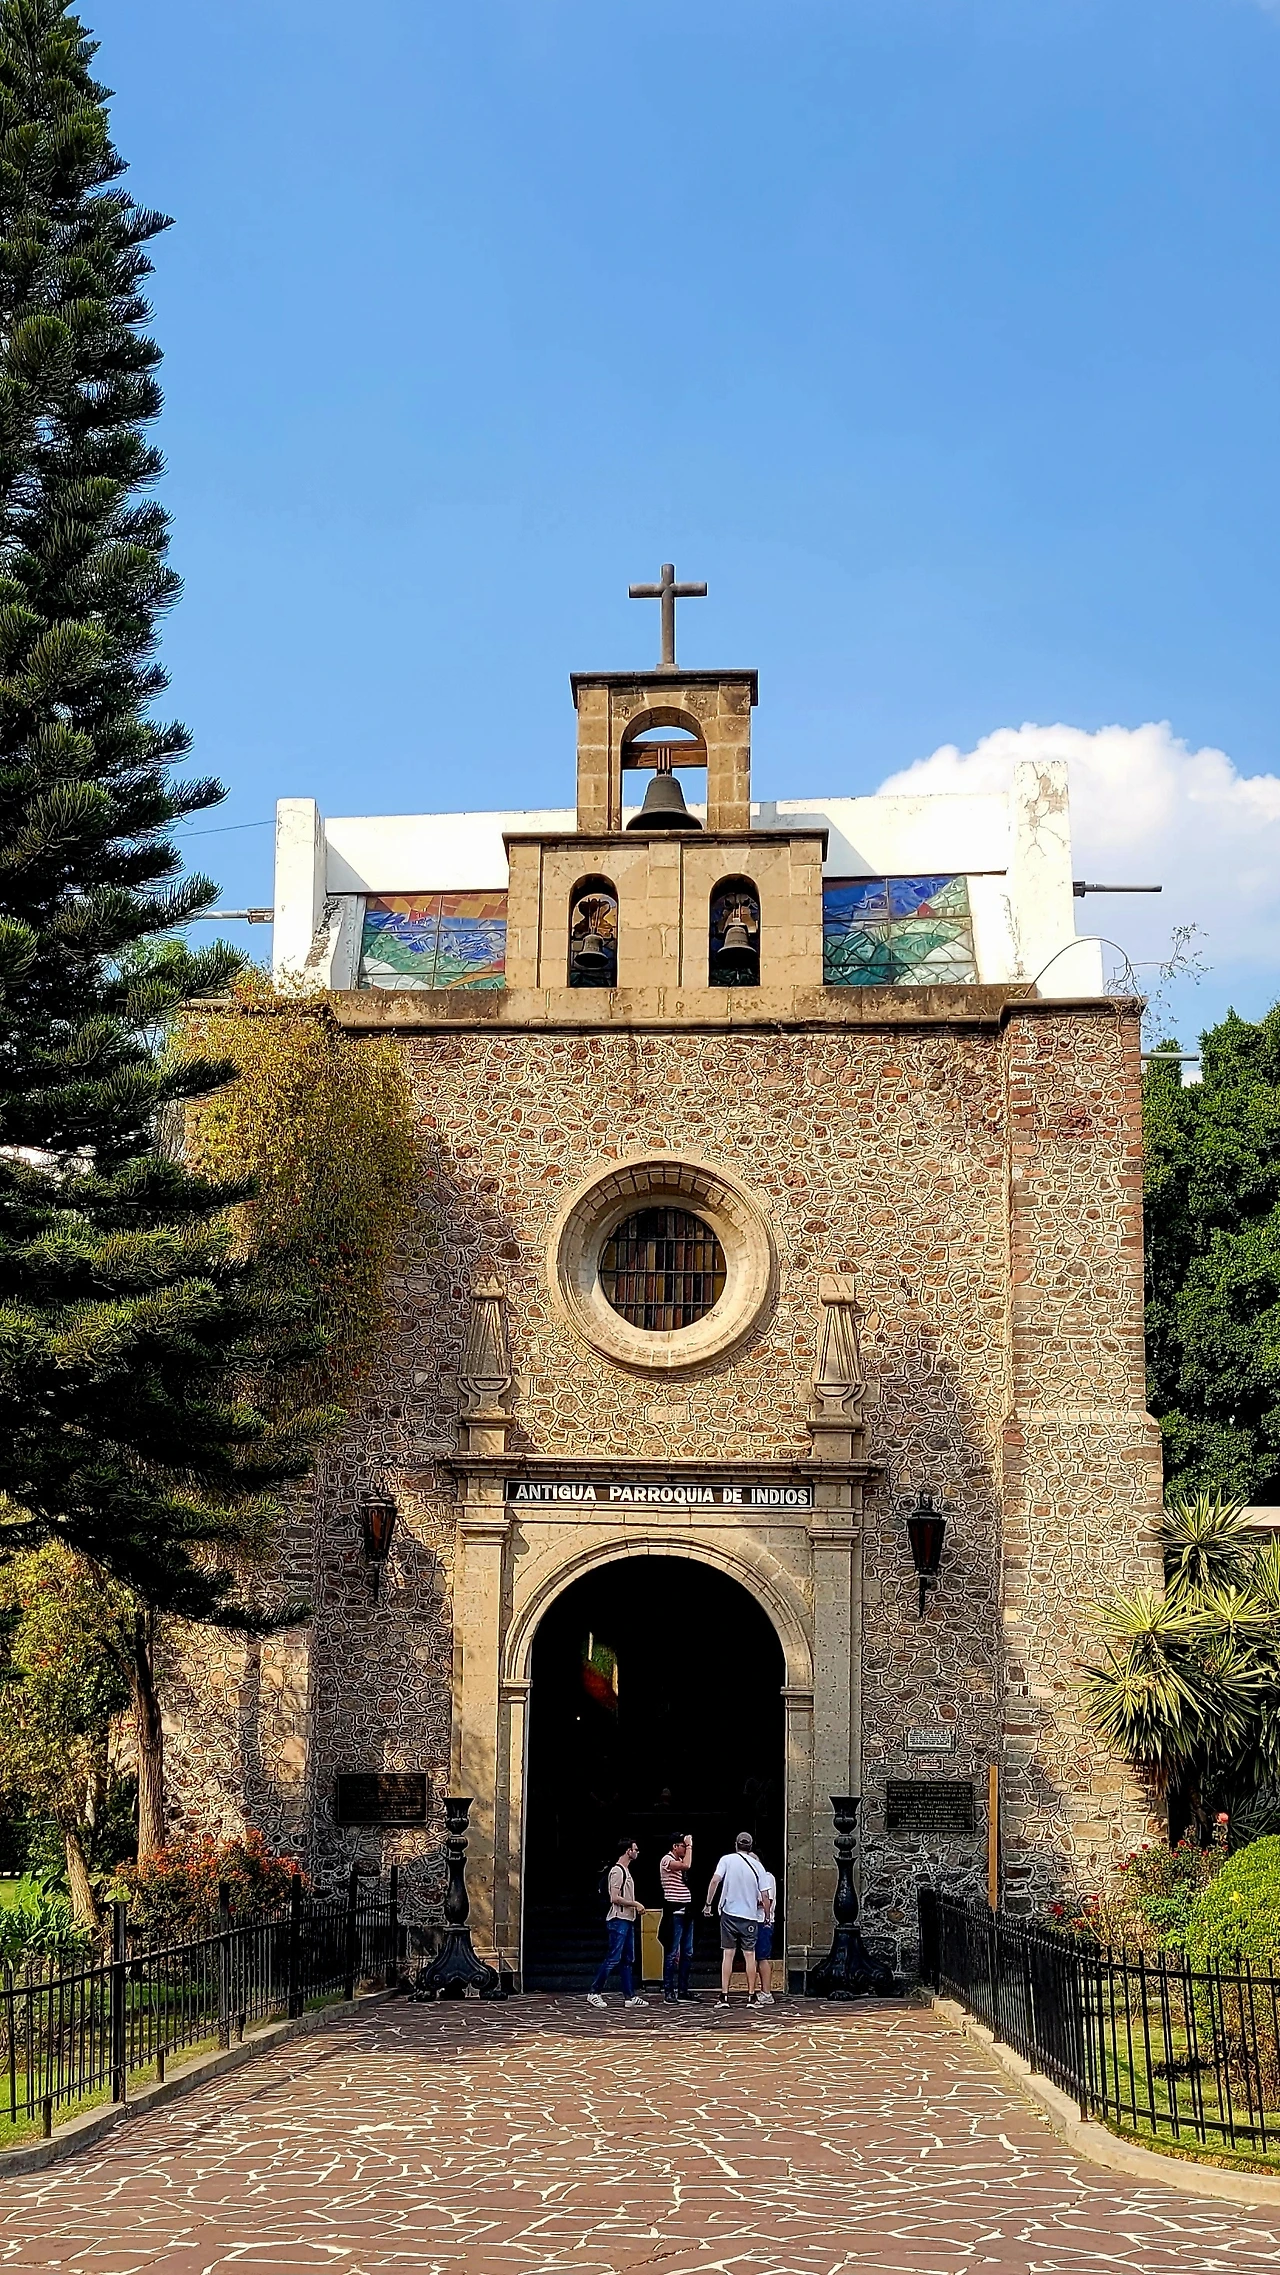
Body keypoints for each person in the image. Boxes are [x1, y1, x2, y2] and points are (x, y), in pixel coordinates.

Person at [704, 1831, 769, 2007]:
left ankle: (724, 1996)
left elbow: (715, 1881)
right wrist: (767, 1916)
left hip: (729, 1913)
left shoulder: (726, 1860)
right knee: (750, 1955)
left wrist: (708, 1904)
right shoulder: (758, 1866)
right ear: (750, 1846)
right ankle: (751, 1996)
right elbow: (765, 1895)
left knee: (728, 1954)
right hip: (749, 1916)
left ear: (736, 1844)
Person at [587, 1840, 648, 2009]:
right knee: (613, 1957)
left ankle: (630, 1996)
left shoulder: (626, 1871)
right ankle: (594, 1992)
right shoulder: (617, 1871)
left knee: (627, 1959)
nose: (637, 1852)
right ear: (628, 1851)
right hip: (618, 1919)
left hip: (627, 1919)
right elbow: (614, 1897)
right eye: (635, 1849)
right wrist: (635, 1904)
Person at [659, 1833, 697, 2003]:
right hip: (674, 1911)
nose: (685, 1849)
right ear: (675, 1846)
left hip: (686, 1910)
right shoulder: (666, 1860)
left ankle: (683, 1989)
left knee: (687, 1952)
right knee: (672, 1952)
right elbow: (686, 1865)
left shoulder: (678, 1860)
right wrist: (690, 1846)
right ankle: (668, 1990)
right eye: (682, 1846)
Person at [753, 1852, 778, 2005]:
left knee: (762, 1957)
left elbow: (767, 1900)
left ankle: (766, 1992)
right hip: (752, 1920)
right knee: (752, 1957)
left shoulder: (767, 1877)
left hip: (762, 1921)